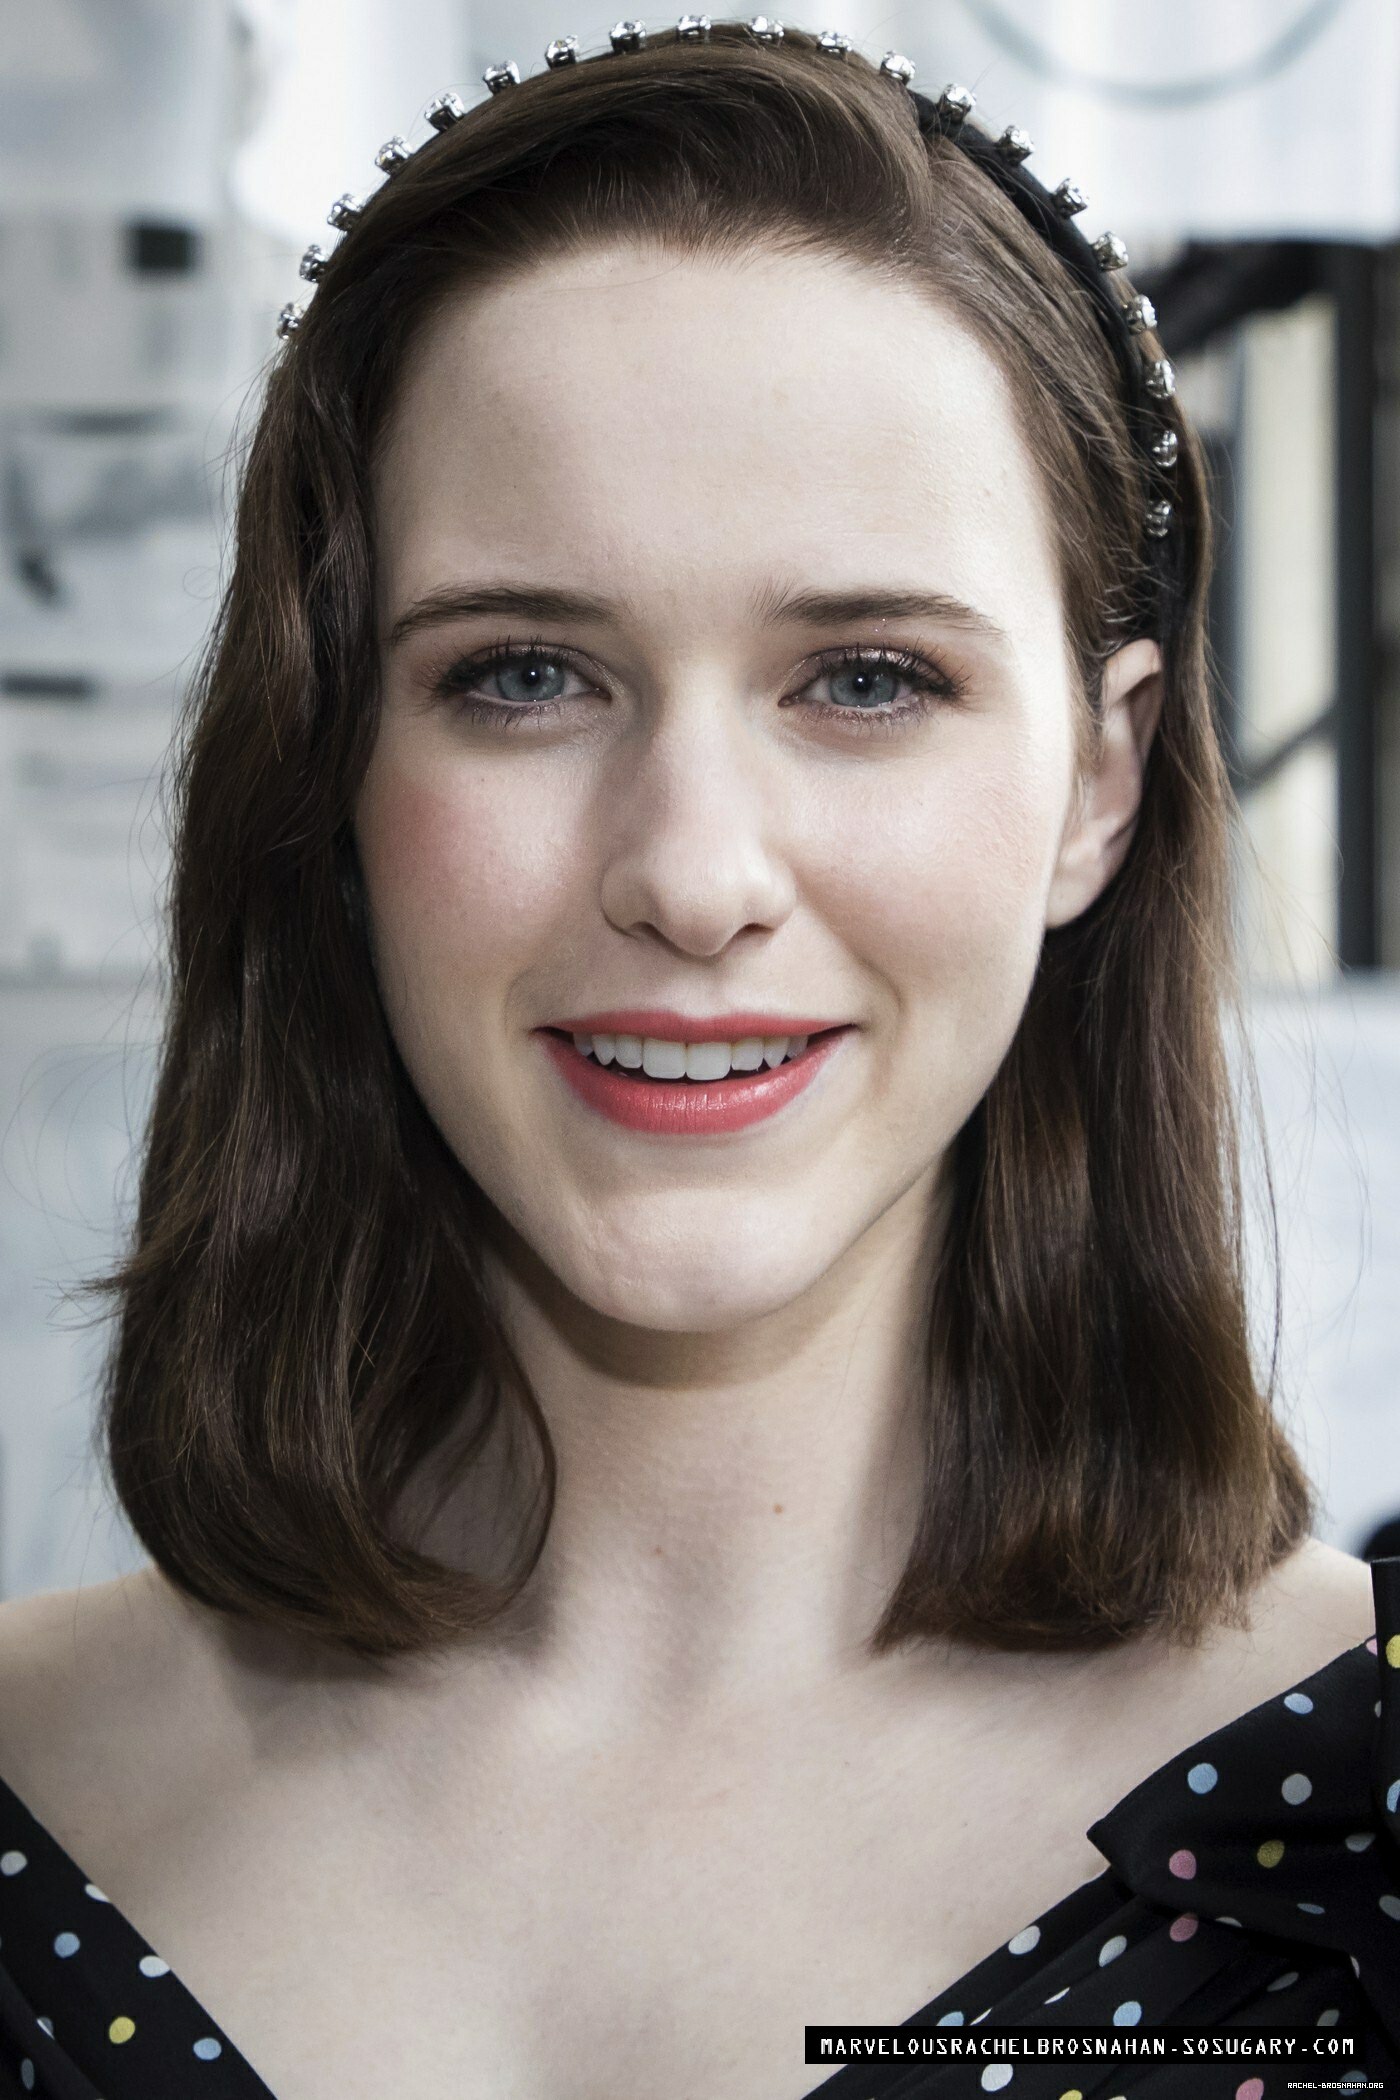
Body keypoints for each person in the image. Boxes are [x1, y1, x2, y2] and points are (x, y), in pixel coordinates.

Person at [0, 19, 1395, 2099]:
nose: (692, 871)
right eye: (525, 674)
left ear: (1098, 784)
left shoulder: (1357, 1810)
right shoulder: (28, 1771)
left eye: (866, 678)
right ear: (331, 770)